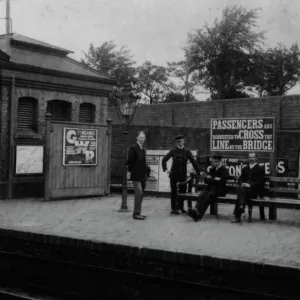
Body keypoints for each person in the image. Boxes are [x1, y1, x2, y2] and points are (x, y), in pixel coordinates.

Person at [162, 135, 201, 215]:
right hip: (174, 175)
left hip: (182, 175)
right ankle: (174, 209)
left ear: (183, 141)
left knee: (183, 191)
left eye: (181, 141)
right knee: (173, 192)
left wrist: (199, 172)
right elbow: (164, 159)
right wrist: (166, 169)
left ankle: (181, 207)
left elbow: (194, 162)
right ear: (176, 142)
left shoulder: (187, 151)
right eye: (178, 142)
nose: (179, 143)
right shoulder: (173, 151)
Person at [188, 155, 229, 221]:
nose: (216, 163)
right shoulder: (212, 169)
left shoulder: (224, 170)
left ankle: (199, 215)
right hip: (210, 188)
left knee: (209, 196)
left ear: (221, 161)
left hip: (220, 190)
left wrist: (212, 179)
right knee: (202, 194)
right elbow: (206, 180)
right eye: (214, 161)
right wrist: (215, 179)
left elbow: (222, 182)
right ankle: (195, 210)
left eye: (217, 161)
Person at [231, 152, 265, 223]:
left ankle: (238, 214)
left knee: (240, 193)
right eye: (250, 157)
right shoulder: (245, 168)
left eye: (253, 157)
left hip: (254, 192)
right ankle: (241, 206)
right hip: (244, 191)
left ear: (256, 158)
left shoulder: (260, 169)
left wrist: (250, 185)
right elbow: (240, 179)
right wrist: (242, 183)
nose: (251, 159)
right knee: (241, 189)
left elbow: (260, 182)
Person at [127, 131, 151, 220]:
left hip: (143, 175)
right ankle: (136, 214)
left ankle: (137, 212)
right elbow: (130, 161)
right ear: (137, 138)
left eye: (143, 138)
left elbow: (143, 163)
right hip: (136, 175)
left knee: (141, 194)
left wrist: (147, 169)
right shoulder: (133, 148)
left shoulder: (143, 149)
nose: (142, 139)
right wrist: (132, 171)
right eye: (140, 137)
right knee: (139, 192)